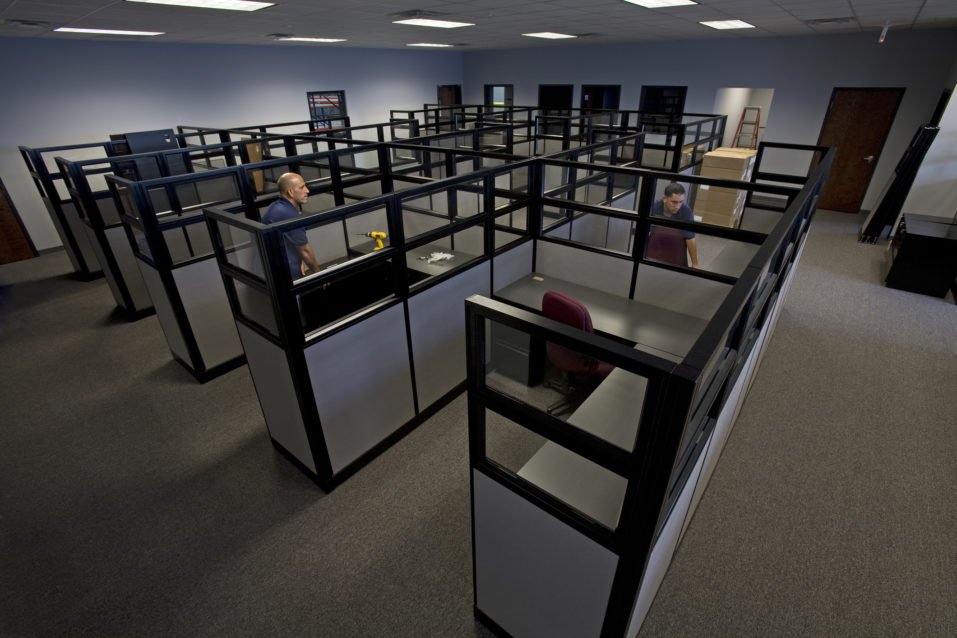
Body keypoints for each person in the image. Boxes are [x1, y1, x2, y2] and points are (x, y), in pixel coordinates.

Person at [261, 172, 320, 280]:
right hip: (285, 277)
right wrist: (318, 274)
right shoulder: (288, 214)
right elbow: (305, 251)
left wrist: (299, 262)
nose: (307, 191)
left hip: (276, 271)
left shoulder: (277, 207)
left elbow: (288, 242)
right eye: (302, 187)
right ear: (291, 192)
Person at [646, 182, 699, 268]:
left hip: (676, 244)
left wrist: (695, 263)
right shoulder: (654, 207)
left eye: (680, 202)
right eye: (674, 202)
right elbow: (646, 232)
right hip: (657, 242)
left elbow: (690, 238)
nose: (677, 206)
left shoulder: (686, 211)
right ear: (664, 198)